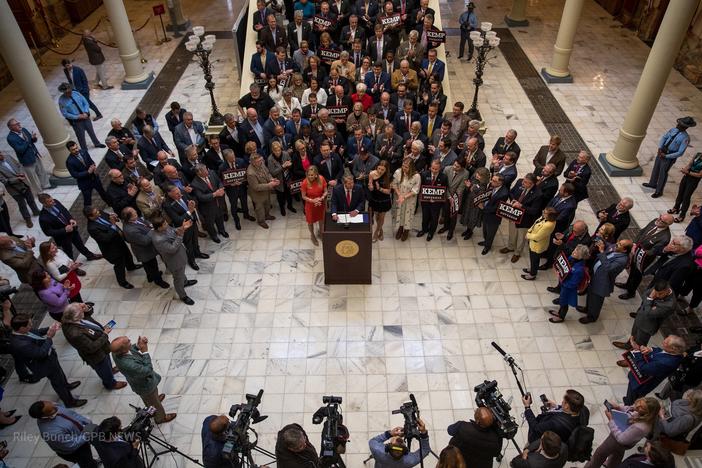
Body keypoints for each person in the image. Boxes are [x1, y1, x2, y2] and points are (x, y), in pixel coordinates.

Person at [10, 314, 86, 407]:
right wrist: (49, 337)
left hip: (50, 359)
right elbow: (41, 353)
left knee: (59, 373)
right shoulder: (21, 344)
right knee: (57, 382)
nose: (31, 326)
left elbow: (36, 332)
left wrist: (50, 328)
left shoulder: (24, 331)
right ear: (21, 328)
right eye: (29, 325)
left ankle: (66, 385)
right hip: (44, 365)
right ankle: (70, 402)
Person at [110, 335, 177, 424]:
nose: (130, 340)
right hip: (144, 385)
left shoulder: (116, 352)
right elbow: (147, 370)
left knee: (152, 398)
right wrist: (145, 352)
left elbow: (129, 349)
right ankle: (160, 418)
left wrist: (138, 346)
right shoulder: (128, 364)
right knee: (153, 401)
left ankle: (154, 400)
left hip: (143, 382)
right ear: (123, 349)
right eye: (128, 342)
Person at [61, 303, 127, 391]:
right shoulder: (75, 334)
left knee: (107, 363)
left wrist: (86, 308)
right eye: (81, 310)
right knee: (103, 369)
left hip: (102, 347)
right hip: (97, 356)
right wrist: (105, 334)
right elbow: (91, 348)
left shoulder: (73, 318)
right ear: (77, 316)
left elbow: (88, 314)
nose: (82, 309)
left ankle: (110, 370)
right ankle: (110, 384)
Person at [584, 397, 660, 468]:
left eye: (642, 407)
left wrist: (611, 420)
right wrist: (618, 407)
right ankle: (611, 465)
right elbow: (630, 411)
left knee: (599, 454)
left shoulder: (641, 427)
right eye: (640, 402)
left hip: (617, 441)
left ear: (648, 413)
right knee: (617, 454)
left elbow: (621, 439)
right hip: (625, 437)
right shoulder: (641, 413)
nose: (637, 406)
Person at [616, 214, 673, 300]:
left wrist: (641, 251)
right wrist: (634, 244)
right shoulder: (655, 221)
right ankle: (627, 284)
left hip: (644, 258)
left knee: (637, 275)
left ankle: (631, 292)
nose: (659, 220)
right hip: (636, 250)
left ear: (667, 224)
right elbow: (642, 232)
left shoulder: (665, 237)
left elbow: (654, 251)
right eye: (660, 217)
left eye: (662, 221)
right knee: (632, 268)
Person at [620, 335, 686, 405]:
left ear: (673, 348)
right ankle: (628, 399)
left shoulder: (666, 363)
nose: (663, 342)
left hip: (641, 383)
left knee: (632, 396)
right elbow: (662, 352)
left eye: (666, 343)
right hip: (641, 378)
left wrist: (637, 351)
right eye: (665, 339)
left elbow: (643, 368)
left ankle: (627, 405)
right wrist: (651, 350)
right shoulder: (676, 354)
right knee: (632, 394)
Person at [578, 238, 632, 324]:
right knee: (590, 293)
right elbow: (608, 245)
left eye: (620, 244)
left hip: (602, 282)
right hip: (595, 275)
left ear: (625, 250)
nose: (617, 244)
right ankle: (587, 308)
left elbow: (608, 268)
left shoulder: (622, 260)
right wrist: (600, 240)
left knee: (596, 300)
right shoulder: (616, 247)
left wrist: (602, 252)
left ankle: (592, 317)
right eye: (619, 242)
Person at [85, 207, 141, 289]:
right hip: (111, 248)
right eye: (96, 213)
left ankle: (131, 266)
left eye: (97, 211)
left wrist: (115, 217)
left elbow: (110, 218)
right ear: (90, 217)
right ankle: (122, 282)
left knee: (127, 254)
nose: (98, 212)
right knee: (119, 264)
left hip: (119, 239)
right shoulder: (92, 228)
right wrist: (113, 225)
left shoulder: (100, 212)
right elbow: (106, 238)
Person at [28, 400, 97, 467]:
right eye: (52, 410)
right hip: (76, 451)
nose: (56, 408)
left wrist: (86, 422)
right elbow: (71, 444)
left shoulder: (52, 406)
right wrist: (88, 434)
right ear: (44, 416)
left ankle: (92, 462)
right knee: (86, 463)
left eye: (53, 405)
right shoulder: (51, 432)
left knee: (89, 459)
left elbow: (72, 414)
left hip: (81, 436)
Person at [613, 280, 677, 351]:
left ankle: (633, 359)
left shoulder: (669, 305)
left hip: (648, 326)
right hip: (640, 316)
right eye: (656, 293)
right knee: (633, 334)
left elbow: (648, 313)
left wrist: (650, 298)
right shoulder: (659, 287)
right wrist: (650, 304)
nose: (657, 295)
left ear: (667, 290)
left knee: (640, 344)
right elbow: (644, 295)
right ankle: (628, 345)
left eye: (660, 294)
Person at [643, 116, 696, 198]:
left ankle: (659, 191)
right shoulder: (673, 130)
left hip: (669, 156)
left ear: (685, 127)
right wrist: (660, 148)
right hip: (662, 151)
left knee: (662, 173)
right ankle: (652, 183)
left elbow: (680, 152)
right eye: (678, 123)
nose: (677, 125)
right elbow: (664, 137)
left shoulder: (685, 138)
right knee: (656, 168)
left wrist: (667, 156)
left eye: (680, 124)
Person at [38, 193, 100, 261]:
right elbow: (48, 232)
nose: (53, 201)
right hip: (63, 237)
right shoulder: (43, 217)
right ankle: (73, 267)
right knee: (69, 252)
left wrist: (71, 219)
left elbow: (65, 211)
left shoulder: (56, 202)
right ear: (44, 204)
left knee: (80, 245)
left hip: (73, 229)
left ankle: (90, 256)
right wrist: (64, 230)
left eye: (52, 199)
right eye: (50, 201)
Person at [151, 215, 197, 305]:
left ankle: (185, 282)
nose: (167, 224)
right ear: (159, 227)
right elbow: (172, 249)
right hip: (174, 260)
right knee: (177, 278)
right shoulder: (158, 239)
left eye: (165, 222)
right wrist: (181, 235)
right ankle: (183, 295)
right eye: (164, 224)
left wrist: (182, 227)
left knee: (181, 272)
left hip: (180, 255)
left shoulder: (165, 227)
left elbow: (173, 230)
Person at [162, 185, 208, 271]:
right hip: (184, 227)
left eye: (179, 192)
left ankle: (198, 253)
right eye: (177, 194)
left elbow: (191, 198)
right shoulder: (167, 205)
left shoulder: (181, 193)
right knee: (189, 244)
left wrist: (192, 202)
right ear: (169, 194)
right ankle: (192, 260)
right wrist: (189, 211)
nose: (180, 195)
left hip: (192, 222)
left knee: (195, 239)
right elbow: (178, 220)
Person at [121, 208, 169, 289]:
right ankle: (159, 281)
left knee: (147, 266)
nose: (136, 212)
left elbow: (144, 222)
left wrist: (149, 224)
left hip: (146, 249)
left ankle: (150, 277)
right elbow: (145, 241)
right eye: (134, 213)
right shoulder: (131, 230)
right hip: (144, 251)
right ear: (129, 218)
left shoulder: (134, 219)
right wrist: (153, 229)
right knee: (152, 266)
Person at [503, 173, 543, 263]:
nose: (523, 183)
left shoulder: (538, 194)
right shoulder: (519, 182)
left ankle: (517, 253)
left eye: (526, 182)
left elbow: (534, 210)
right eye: (524, 180)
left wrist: (521, 206)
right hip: (513, 215)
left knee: (521, 238)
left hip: (525, 220)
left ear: (532, 184)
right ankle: (510, 247)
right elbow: (511, 192)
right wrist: (513, 199)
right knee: (512, 233)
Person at [6, 118, 54, 191]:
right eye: (16, 124)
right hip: (26, 160)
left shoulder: (24, 130)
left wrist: (34, 138)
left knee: (41, 171)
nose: (19, 125)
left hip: (34, 154)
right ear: (11, 127)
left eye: (18, 123)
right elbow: (20, 149)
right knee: (33, 177)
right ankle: (39, 191)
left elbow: (31, 141)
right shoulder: (10, 138)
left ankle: (46, 185)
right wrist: (27, 140)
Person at [57, 83, 105, 152]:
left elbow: (85, 102)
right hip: (76, 121)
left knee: (91, 131)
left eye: (70, 91)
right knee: (80, 136)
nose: (69, 93)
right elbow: (65, 113)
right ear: (63, 92)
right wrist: (77, 116)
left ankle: (97, 143)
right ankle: (84, 149)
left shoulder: (76, 94)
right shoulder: (61, 100)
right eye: (67, 92)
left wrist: (85, 112)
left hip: (86, 116)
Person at [548, 244, 589, 323]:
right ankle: (559, 313)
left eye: (576, 252)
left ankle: (561, 317)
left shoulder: (579, 270)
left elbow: (573, 284)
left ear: (581, 257)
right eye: (575, 250)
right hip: (564, 286)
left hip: (568, 289)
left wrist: (561, 278)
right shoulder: (572, 258)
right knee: (562, 300)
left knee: (564, 303)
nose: (573, 252)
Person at [0, 150, 40, 228]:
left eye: (0, 153)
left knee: (31, 199)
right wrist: (17, 179)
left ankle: (36, 211)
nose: (1, 156)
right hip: (14, 189)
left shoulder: (8, 157)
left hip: (24, 183)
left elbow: (19, 165)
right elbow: (4, 181)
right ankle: (27, 219)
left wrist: (21, 173)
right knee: (22, 204)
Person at [66, 140, 112, 207]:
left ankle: (111, 205)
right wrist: (87, 172)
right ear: (69, 150)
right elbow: (75, 175)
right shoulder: (69, 161)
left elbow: (90, 161)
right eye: (73, 149)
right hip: (85, 183)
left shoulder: (83, 152)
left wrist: (94, 166)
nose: (76, 150)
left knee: (103, 193)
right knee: (87, 200)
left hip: (94, 178)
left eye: (76, 148)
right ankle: (88, 213)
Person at [191, 164, 229, 243]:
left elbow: (219, 182)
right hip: (207, 208)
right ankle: (214, 236)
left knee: (220, 218)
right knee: (210, 224)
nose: (207, 171)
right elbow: (201, 197)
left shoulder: (212, 173)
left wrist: (221, 188)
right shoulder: (195, 184)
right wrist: (215, 194)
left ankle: (221, 230)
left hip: (218, 203)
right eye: (205, 170)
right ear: (199, 173)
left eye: (206, 169)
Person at [521, 208, 558, 281]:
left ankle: (532, 274)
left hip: (537, 244)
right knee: (533, 259)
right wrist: (529, 231)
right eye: (544, 211)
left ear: (550, 216)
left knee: (534, 259)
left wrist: (528, 236)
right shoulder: (544, 217)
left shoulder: (548, 225)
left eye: (545, 212)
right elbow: (535, 223)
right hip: (533, 241)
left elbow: (538, 237)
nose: (543, 212)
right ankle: (532, 269)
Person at [247, 153, 280, 229]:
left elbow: (267, 173)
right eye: (258, 161)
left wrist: (271, 179)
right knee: (260, 209)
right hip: (257, 194)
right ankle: (261, 221)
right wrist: (270, 185)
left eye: (261, 160)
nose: (261, 162)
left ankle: (267, 215)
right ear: (253, 162)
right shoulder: (250, 173)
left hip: (266, 190)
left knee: (267, 204)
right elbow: (256, 187)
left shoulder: (261, 164)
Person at [391, 157, 420, 241]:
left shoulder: (416, 176)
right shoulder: (398, 172)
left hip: (410, 200)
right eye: (403, 166)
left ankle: (406, 230)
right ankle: (400, 228)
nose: (404, 168)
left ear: (411, 167)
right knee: (399, 213)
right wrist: (399, 195)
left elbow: (415, 190)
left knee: (408, 215)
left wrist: (404, 197)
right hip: (399, 197)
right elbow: (394, 184)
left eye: (406, 167)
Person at [480, 173, 509, 254]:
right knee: (485, 230)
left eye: (494, 181)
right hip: (486, 213)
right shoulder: (491, 185)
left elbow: (496, 208)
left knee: (490, 233)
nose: (491, 181)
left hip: (493, 218)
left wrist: (483, 208)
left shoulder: (504, 193)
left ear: (500, 183)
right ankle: (485, 241)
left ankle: (487, 246)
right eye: (492, 179)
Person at [669, 152, 702, 223]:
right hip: (686, 176)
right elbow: (690, 164)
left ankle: (682, 215)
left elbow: (700, 175)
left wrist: (688, 172)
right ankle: (676, 208)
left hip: (693, 180)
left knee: (686, 196)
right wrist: (684, 169)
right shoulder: (698, 154)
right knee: (680, 193)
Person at [268, 141, 297, 216]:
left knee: (289, 195)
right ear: (272, 151)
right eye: (275, 151)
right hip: (279, 181)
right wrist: (282, 167)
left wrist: (290, 164)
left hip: (288, 179)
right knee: (280, 197)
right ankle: (282, 208)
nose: (278, 152)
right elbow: (272, 172)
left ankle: (290, 206)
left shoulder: (285, 153)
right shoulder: (270, 159)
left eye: (279, 150)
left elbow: (290, 162)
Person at [301, 166, 328, 246]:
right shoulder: (305, 182)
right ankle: (312, 235)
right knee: (310, 221)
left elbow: (326, 191)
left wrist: (322, 198)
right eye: (308, 175)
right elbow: (303, 196)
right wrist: (312, 200)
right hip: (310, 205)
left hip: (320, 203)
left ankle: (321, 233)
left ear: (316, 174)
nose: (310, 177)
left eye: (312, 175)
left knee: (321, 220)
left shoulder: (322, 179)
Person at [367, 160, 392, 241]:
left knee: (381, 217)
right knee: (377, 217)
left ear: (386, 170)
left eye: (382, 170)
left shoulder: (388, 176)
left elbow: (388, 191)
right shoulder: (372, 174)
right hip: (375, 198)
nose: (380, 171)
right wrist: (370, 187)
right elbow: (370, 184)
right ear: (376, 167)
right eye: (379, 168)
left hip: (384, 199)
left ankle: (376, 233)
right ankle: (381, 231)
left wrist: (380, 188)